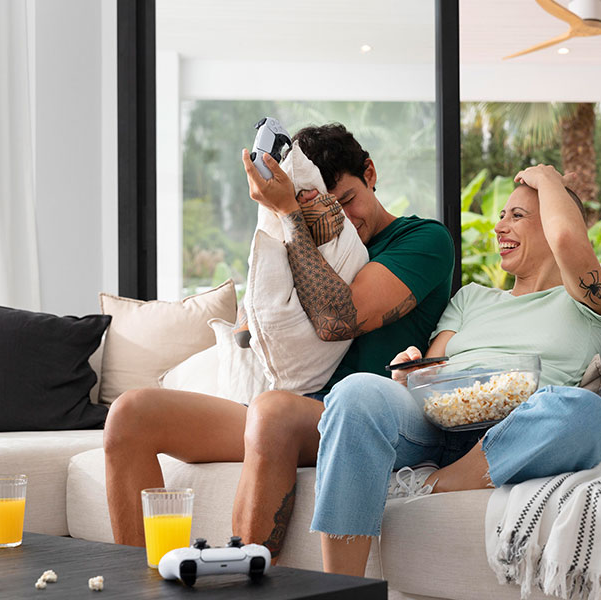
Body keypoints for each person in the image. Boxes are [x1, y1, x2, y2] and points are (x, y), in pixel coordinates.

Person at [103, 124, 455, 561]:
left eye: (345, 201)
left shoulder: (424, 240)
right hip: (289, 411)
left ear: (369, 172)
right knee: (130, 414)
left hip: (349, 418)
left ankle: (241, 582)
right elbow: (255, 328)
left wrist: (291, 214)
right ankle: (143, 586)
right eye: (321, 210)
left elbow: (336, 321)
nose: (340, 221)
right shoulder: (304, 241)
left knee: (272, 410)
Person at [309, 164, 601, 576]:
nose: (499, 227)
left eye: (517, 216)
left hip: (516, 432)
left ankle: (434, 484)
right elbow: (435, 365)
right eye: (501, 216)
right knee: (354, 393)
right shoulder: (472, 297)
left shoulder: (590, 298)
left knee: (587, 414)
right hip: (435, 423)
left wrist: (549, 178)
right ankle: (339, 590)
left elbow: (568, 239)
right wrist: (411, 370)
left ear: (551, 220)